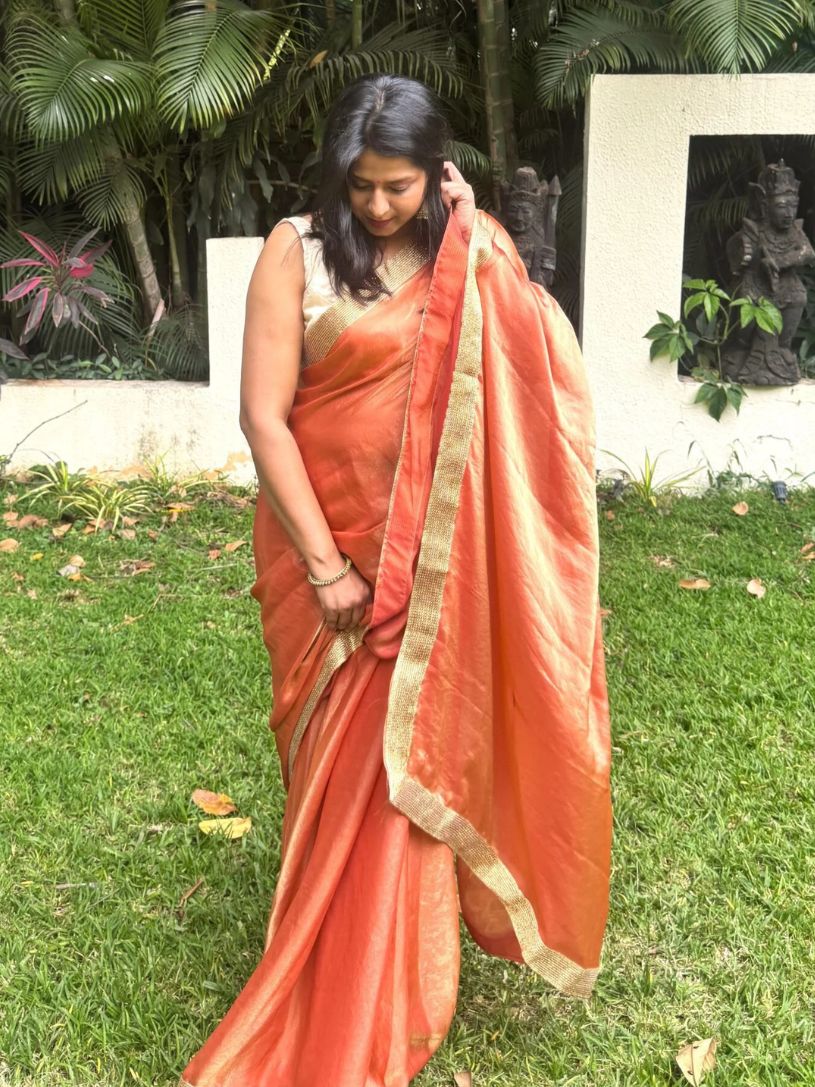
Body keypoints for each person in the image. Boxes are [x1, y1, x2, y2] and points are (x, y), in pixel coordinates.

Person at [179, 73, 612, 1087]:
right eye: (363, 186)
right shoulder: (296, 253)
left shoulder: (465, 252)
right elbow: (263, 417)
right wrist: (329, 570)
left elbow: (536, 374)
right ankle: (330, 959)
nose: (378, 207)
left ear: (435, 173)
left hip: (434, 567)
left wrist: (472, 234)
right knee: (343, 770)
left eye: (400, 187)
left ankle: (401, 974)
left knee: (403, 767)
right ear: (338, 173)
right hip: (322, 558)